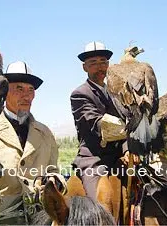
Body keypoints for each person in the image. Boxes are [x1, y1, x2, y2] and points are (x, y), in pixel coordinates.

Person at [0, 61, 66, 225]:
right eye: (19, 89)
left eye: (31, 90)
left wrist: (54, 181)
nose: (26, 95)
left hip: (38, 219)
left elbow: (52, 169)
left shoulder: (45, 133)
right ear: (5, 92)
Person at [70, 41, 139, 212]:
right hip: (94, 159)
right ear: (84, 68)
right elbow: (97, 123)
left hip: (118, 158)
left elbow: (127, 121)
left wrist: (127, 149)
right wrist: (130, 129)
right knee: (102, 206)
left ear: (109, 65)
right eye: (93, 63)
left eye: (103, 62)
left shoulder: (117, 92)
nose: (99, 67)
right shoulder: (80, 94)